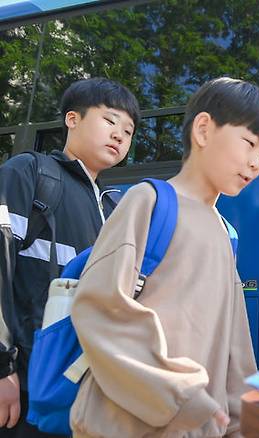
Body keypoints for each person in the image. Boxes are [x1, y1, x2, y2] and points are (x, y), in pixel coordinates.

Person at [68, 77, 259, 437]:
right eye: (248, 143)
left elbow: (236, 346)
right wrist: (179, 396)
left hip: (193, 427)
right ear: (203, 130)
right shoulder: (148, 201)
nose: (255, 163)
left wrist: (242, 423)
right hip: (121, 425)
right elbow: (100, 309)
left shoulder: (224, 233)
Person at [0, 78, 140, 437]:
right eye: (110, 121)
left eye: (128, 130)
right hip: (25, 382)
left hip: (84, 384)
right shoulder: (29, 172)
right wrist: (3, 368)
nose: (120, 136)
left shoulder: (116, 207)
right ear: (72, 119)